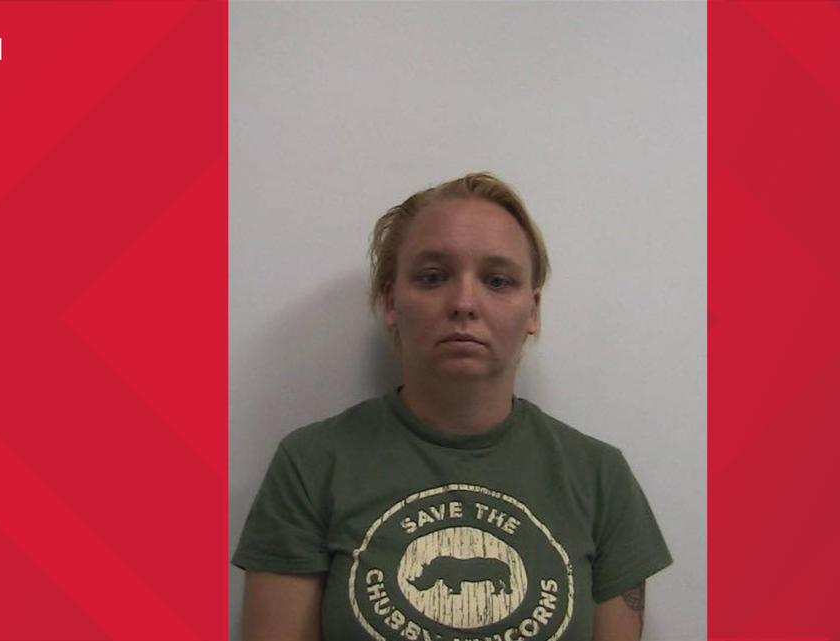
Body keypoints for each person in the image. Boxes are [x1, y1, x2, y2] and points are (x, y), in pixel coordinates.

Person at [233, 172, 672, 641]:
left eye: (497, 281)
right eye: (433, 277)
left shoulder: (600, 477)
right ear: (391, 301)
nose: (464, 302)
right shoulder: (312, 464)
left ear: (533, 310)